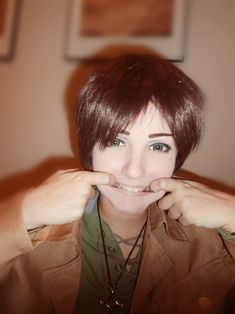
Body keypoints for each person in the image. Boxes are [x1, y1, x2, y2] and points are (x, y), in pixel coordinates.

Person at [0, 54, 235, 314]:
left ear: (176, 157)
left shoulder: (214, 245)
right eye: (116, 141)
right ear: (89, 147)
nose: (134, 170)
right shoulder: (33, 236)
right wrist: (24, 211)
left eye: (158, 146)